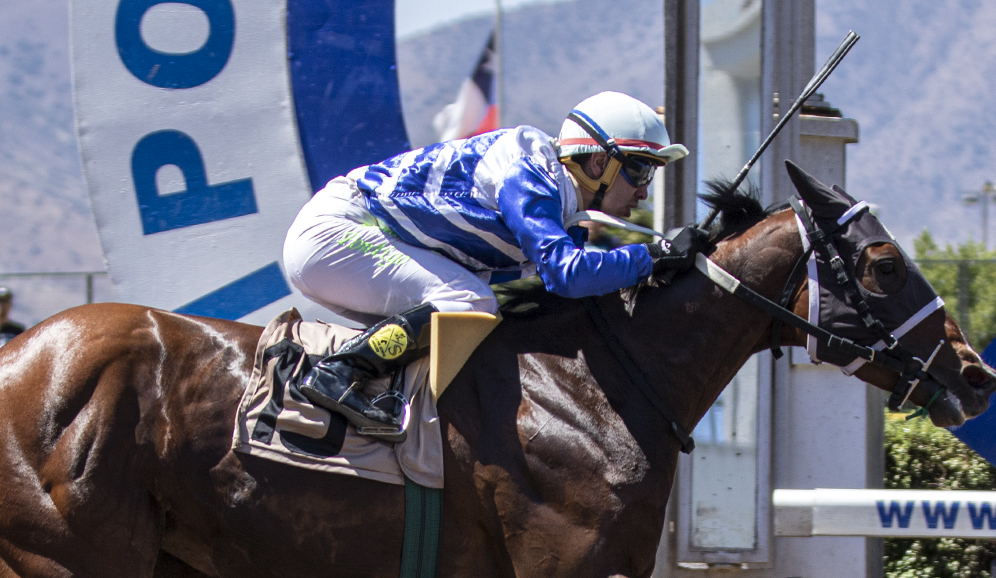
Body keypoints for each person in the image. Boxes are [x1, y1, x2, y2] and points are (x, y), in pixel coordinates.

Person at [282, 91, 706, 440]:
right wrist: (655, 256)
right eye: (639, 171)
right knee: (469, 301)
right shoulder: (532, 172)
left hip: (345, 240)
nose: (644, 192)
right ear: (598, 163)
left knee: (470, 315)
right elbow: (568, 274)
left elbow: (572, 284)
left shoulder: (565, 213)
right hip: (336, 232)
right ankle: (339, 373)